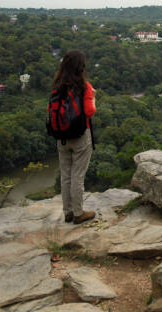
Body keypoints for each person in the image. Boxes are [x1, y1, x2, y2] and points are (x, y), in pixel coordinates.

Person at [52, 50, 97, 224]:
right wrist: (93, 98)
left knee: (66, 175)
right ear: (81, 67)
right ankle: (79, 213)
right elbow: (89, 111)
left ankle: (68, 212)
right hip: (80, 136)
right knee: (78, 175)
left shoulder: (57, 85)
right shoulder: (84, 86)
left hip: (61, 137)